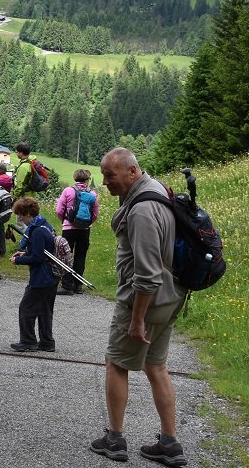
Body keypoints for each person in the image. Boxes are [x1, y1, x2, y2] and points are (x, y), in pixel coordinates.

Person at [90, 148, 188, 466]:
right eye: (104, 175)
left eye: (110, 175)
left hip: (147, 301)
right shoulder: (155, 188)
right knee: (156, 365)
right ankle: (170, 443)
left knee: (116, 363)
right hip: (173, 295)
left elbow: (146, 275)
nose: (105, 182)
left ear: (132, 172)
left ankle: (115, 440)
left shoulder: (141, 210)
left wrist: (137, 319)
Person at [9, 197, 58, 352]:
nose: (21, 219)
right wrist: (24, 252)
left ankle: (28, 341)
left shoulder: (37, 232)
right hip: (52, 276)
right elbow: (43, 251)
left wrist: (18, 260)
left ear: (28, 213)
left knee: (26, 308)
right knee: (44, 310)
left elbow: (37, 258)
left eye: (21, 215)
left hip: (41, 278)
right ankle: (47, 342)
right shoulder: (46, 225)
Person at [55, 169, 99, 295]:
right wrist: (88, 223)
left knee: (66, 255)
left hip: (69, 229)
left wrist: (65, 220)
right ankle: (78, 285)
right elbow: (95, 213)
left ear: (75, 178)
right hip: (84, 229)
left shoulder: (68, 191)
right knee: (81, 255)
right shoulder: (92, 194)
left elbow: (59, 210)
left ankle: (67, 285)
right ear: (87, 179)